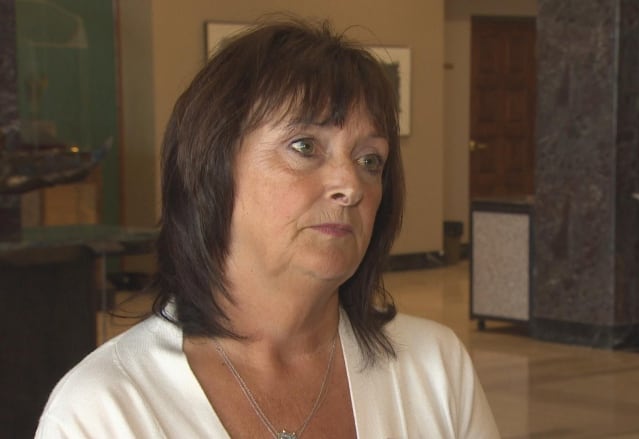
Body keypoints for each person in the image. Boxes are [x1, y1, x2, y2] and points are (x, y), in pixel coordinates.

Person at [35, 16, 500, 438]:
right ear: (211, 167)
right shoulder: (103, 411)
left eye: (369, 159)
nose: (350, 185)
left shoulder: (436, 367)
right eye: (304, 146)